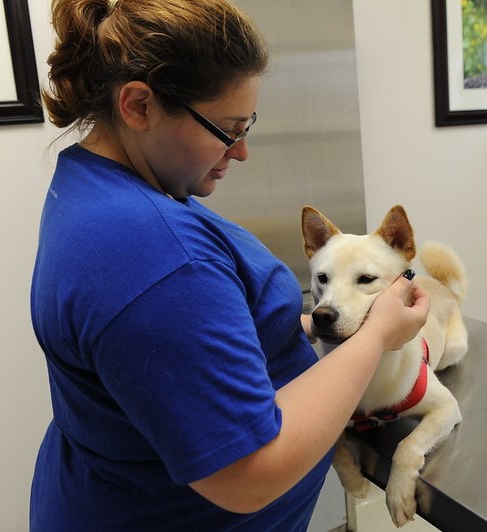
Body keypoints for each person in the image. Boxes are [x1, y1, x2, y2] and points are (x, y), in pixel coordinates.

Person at [29, 0, 430, 530]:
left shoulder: (98, 187)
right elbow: (249, 473)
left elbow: (187, 343)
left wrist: (309, 325)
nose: (241, 151)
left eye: (249, 125)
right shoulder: (157, 255)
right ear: (138, 105)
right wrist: (377, 335)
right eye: (228, 128)